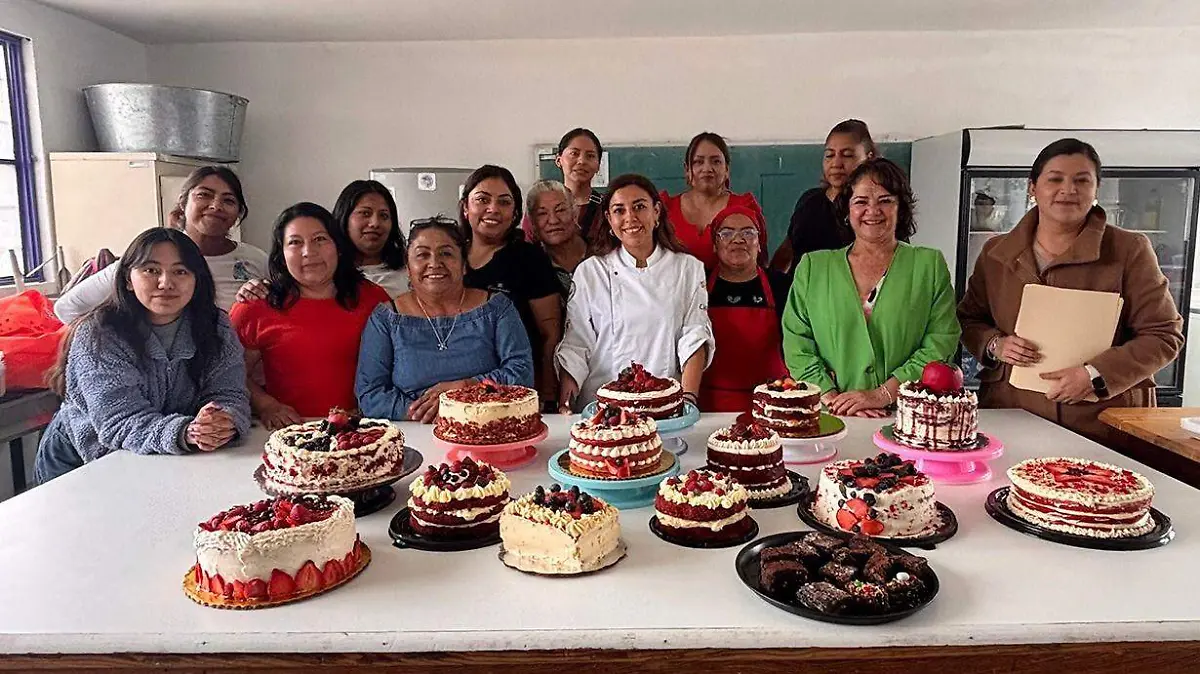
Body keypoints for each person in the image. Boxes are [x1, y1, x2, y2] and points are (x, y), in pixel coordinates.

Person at [958, 138, 1184, 442]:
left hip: (1100, 421)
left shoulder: (1129, 250)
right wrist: (994, 344)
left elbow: (1164, 335)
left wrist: (1094, 375)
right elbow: (969, 319)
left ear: (1096, 188)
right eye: (1055, 179)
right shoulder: (996, 253)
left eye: (1081, 180)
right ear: (1032, 187)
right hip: (1011, 411)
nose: (1068, 190)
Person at [34, 228, 251, 484]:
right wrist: (186, 432)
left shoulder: (216, 326)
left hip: (165, 455)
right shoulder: (99, 333)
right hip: (82, 459)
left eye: (181, 271)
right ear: (128, 279)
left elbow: (229, 392)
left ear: (197, 280)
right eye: (151, 270)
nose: (166, 283)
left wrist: (222, 421)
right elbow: (119, 420)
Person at [782, 158, 959, 418]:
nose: (872, 210)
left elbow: (941, 342)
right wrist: (833, 398)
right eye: (861, 201)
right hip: (831, 418)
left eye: (885, 200)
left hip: (908, 417)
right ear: (847, 210)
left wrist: (882, 394)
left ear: (901, 208)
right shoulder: (813, 268)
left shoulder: (928, 266)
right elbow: (797, 343)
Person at [557, 173, 715, 412]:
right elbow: (576, 345)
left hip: (663, 405)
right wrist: (566, 405)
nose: (630, 217)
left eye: (639, 207)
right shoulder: (591, 272)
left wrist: (688, 400)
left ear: (656, 212)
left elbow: (695, 337)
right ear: (609, 219)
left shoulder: (688, 268)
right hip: (600, 407)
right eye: (619, 210)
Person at [230, 202, 392, 429]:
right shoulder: (255, 306)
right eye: (295, 242)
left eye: (320, 239)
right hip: (291, 432)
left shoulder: (374, 299)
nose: (309, 252)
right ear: (281, 255)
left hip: (364, 429)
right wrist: (267, 405)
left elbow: (398, 365)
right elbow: (230, 373)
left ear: (338, 246)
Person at [356, 219, 534, 422]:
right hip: (413, 429)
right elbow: (370, 394)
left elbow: (522, 372)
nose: (434, 263)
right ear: (408, 268)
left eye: (446, 253)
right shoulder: (385, 319)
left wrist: (468, 389)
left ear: (464, 265)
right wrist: (432, 414)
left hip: (488, 425)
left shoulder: (498, 308)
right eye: (422, 255)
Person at [53, 166, 267, 322]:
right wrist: (114, 339)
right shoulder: (148, 256)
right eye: (204, 195)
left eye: (228, 200)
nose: (215, 206)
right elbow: (68, 308)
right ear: (183, 203)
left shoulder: (255, 260)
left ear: (238, 212)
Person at [460, 165, 562, 409]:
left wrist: (548, 393)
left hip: (515, 390)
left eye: (504, 202)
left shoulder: (529, 259)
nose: (493, 209)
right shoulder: (449, 256)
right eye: (482, 200)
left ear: (515, 213)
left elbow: (550, 332)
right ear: (465, 207)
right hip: (457, 390)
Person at [235, 179, 408, 301]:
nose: (375, 223)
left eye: (384, 216)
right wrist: (255, 289)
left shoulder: (408, 273)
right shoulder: (321, 273)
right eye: (365, 213)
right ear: (344, 218)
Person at [700, 205, 792, 412]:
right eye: (726, 233)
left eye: (748, 233)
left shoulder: (781, 285)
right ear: (715, 244)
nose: (738, 239)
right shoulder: (699, 284)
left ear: (759, 244)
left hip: (773, 400)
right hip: (710, 404)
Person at [770, 119, 877, 274]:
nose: (836, 163)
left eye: (847, 155)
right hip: (801, 288)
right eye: (829, 155)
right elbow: (786, 253)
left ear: (869, 157)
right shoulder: (809, 200)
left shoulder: (876, 211)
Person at [661, 132, 768, 270]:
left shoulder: (745, 207)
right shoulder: (665, 208)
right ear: (687, 169)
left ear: (727, 169)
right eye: (698, 162)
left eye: (716, 161)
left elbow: (761, 262)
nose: (707, 169)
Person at [526, 179, 590, 298]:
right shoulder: (529, 267)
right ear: (532, 223)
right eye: (542, 213)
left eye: (560, 210)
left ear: (575, 214)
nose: (553, 220)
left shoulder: (602, 255)